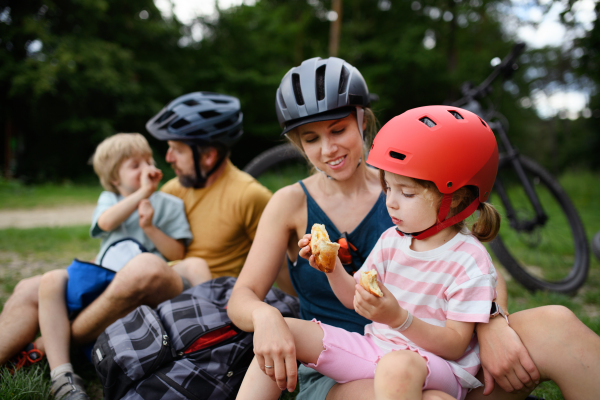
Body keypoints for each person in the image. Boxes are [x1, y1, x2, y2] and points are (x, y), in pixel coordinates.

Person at [227, 56, 600, 400]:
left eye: (338, 129)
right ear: (298, 144)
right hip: (345, 365)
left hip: (437, 350)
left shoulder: (415, 185)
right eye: (311, 139)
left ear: (362, 119)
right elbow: (243, 294)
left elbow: (477, 271)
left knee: (558, 325)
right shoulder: (290, 203)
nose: (328, 149)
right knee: (413, 384)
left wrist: (491, 325)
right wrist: (267, 317)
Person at [237, 105, 503, 400]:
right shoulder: (393, 239)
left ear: (455, 200)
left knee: (406, 374)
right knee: (286, 329)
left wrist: (398, 317)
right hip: (376, 348)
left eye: (407, 193)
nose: (390, 203)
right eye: (387, 189)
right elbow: (355, 296)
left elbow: (457, 341)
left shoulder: (468, 256)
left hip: (433, 364)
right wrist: (333, 267)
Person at [0, 92, 272, 380]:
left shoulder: (250, 195)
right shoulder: (172, 190)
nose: (166, 159)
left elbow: (278, 261)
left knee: (144, 267)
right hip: (138, 282)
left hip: (194, 300)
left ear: (208, 155)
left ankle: (49, 345)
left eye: (176, 150)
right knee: (34, 286)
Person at [37, 133, 206, 399]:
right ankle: (62, 375)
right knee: (49, 280)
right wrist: (142, 193)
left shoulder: (170, 205)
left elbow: (177, 251)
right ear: (115, 178)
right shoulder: (110, 198)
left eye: (149, 160)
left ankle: (51, 344)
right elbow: (105, 223)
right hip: (104, 279)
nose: (147, 168)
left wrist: (149, 226)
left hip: (141, 286)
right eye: (135, 165)